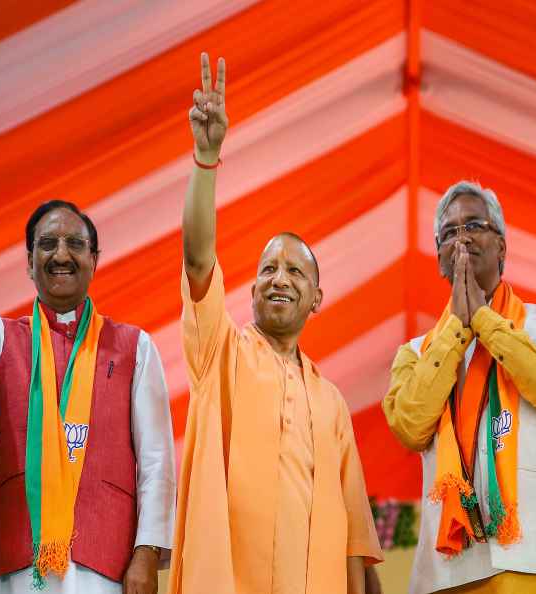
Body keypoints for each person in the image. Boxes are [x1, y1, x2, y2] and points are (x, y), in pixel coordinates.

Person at [0, 127, 176, 594]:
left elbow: (157, 460)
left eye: (75, 245)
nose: (61, 254)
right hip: (21, 567)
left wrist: (146, 555)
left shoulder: (135, 347)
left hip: (106, 566)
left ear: (95, 259)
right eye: (47, 244)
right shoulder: (5, 340)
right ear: (28, 262)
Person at [169, 52, 383, 594]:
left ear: (317, 298)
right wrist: (205, 157)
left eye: (294, 271)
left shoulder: (333, 402)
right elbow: (197, 258)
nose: (279, 278)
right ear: (251, 289)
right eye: (268, 269)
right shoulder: (223, 351)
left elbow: (358, 538)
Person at [382, 175, 536, 593]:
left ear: (502, 246)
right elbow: (410, 425)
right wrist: (458, 329)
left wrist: (484, 320)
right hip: (450, 572)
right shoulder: (415, 351)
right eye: (449, 232)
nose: (462, 238)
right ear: (440, 258)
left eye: (475, 225)